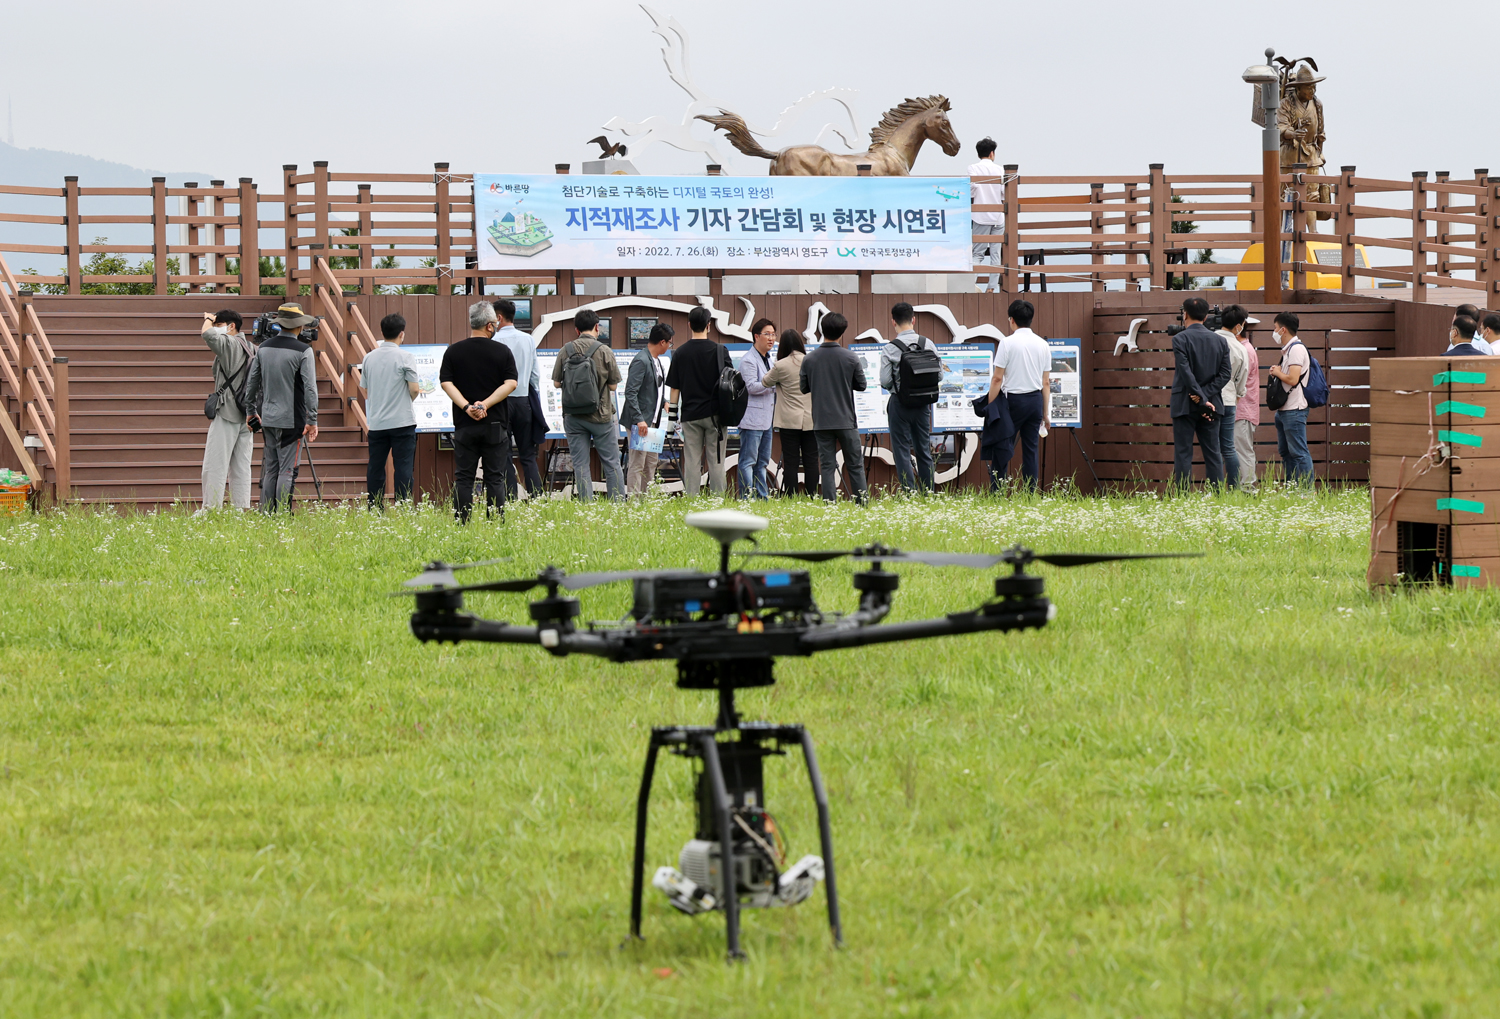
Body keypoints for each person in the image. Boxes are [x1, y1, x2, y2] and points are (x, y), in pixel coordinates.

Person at [441, 301, 518, 522]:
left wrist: (467, 407)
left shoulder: (453, 351)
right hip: (495, 424)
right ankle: (495, 524)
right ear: (489, 325)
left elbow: (446, 383)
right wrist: (485, 404)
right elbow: (511, 383)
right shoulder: (502, 351)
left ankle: (462, 523)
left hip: (465, 424)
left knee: (464, 477)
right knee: (495, 478)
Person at [244, 303, 319, 512]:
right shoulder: (304, 350)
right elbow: (310, 388)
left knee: (271, 469)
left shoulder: (264, 348)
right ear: (299, 326)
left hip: (267, 417)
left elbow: (252, 383)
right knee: (287, 470)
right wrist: (312, 420)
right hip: (292, 419)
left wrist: (251, 411)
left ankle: (267, 513)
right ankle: (283, 514)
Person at [551, 307, 625, 502]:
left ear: (576, 330)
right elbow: (613, 386)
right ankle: (617, 504)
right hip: (600, 415)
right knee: (611, 463)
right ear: (597, 327)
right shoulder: (605, 351)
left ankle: (586, 505)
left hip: (573, 416)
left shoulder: (565, 350)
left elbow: (557, 383)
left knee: (580, 464)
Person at [799, 312, 868, 504]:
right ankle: (862, 504)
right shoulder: (851, 358)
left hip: (821, 421)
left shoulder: (809, 359)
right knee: (855, 465)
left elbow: (803, 388)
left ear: (822, 330)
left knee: (827, 466)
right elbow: (862, 385)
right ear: (842, 332)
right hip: (846, 420)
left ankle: (830, 505)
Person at [986, 299, 1052, 491]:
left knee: (1002, 447)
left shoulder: (1006, 343)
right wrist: (1045, 413)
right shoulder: (1043, 345)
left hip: (1013, 402)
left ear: (1012, 320)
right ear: (1031, 319)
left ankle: (997, 493)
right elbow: (1046, 382)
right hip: (1035, 401)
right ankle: (1030, 494)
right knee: (1031, 450)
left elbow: (997, 379)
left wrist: (991, 406)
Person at [664, 306, 729, 496]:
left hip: (690, 415)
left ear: (689, 325)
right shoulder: (719, 351)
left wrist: (672, 420)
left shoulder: (680, 353)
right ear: (709, 325)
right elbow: (730, 381)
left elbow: (674, 389)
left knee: (692, 461)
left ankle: (692, 500)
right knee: (717, 461)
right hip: (716, 415)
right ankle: (718, 501)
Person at [1169, 296, 1230, 491]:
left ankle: (1183, 495)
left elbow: (1185, 371)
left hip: (1184, 403)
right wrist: (1206, 396)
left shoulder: (1180, 339)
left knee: (1183, 453)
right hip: (1212, 404)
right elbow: (1225, 374)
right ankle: (1217, 495)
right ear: (1205, 317)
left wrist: (1199, 396)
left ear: (1185, 314)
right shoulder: (1221, 341)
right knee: (1213, 453)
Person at [359, 312, 419, 509]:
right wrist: (405, 401)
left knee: (375, 466)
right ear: (402, 333)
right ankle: (403, 507)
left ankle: (375, 507)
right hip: (402, 421)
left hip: (377, 422)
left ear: (382, 332)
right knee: (403, 467)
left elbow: (364, 389)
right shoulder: (406, 357)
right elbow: (414, 389)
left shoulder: (368, 358)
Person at [199, 309, 255, 512]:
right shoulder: (252, 348)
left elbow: (207, 334)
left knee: (215, 463)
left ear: (231, 326)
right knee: (242, 465)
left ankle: (211, 508)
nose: (216, 328)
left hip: (227, 410)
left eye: (219, 325)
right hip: (247, 414)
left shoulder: (230, 343)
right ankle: (240, 509)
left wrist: (208, 319)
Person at [880, 301, 938, 492]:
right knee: (923, 450)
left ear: (893, 322)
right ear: (913, 320)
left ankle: (909, 494)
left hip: (899, 403)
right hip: (923, 404)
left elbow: (885, 380)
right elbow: (939, 376)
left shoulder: (890, 348)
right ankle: (928, 493)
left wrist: (897, 388)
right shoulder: (927, 344)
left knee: (901, 451)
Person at [493, 298, 542, 499]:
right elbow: (535, 375)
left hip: (500, 401)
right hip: (523, 400)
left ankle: (510, 497)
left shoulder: (494, 341)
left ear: (498, 317)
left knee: (504, 454)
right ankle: (536, 497)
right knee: (528, 454)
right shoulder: (528, 339)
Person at [762, 329, 818, 497]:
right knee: (811, 461)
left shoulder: (781, 365)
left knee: (791, 462)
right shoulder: (812, 361)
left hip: (789, 421)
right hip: (811, 419)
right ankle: (812, 496)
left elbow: (765, 381)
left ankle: (791, 497)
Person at [622, 322, 673, 496]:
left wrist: (664, 402)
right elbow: (630, 392)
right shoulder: (641, 360)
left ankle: (647, 500)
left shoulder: (656, 361)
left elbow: (653, 389)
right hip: (641, 422)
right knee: (637, 462)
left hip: (653, 421)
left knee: (651, 462)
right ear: (662, 342)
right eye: (669, 343)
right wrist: (639, 419)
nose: (669, 346)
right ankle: (634, 502)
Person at [1268, 311, 1313, 486]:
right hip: (1285, 409)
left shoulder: (1296, 349)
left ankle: (1307, 491)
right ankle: (1292, 488)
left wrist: (1278, 372)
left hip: (1294, 409)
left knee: (1299, 452)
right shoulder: (1289, 350)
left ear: (1283, 330)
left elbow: (1293, 379)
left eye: (1275, 328)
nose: (1274, 332)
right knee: (1286, 452)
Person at [736, 318, 777, 499]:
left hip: (766, 419)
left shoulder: (769, 359)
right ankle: (747, 499)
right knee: (748, 462)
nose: (771, 338)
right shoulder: (748, 360)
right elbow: (751, 386)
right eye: (767, 334)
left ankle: (762, 498)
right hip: (751, 419)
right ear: (756, 336)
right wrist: (774, 384)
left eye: (773, 334)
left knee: (762, 463)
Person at [1214, 305, 1252, 490]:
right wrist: (1238, 395)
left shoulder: (1210, 340)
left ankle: (1214, 488)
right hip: (1229, 400)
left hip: (1209, 398)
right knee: (1228, 447)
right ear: (1239, 326)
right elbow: (1242, 377)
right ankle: (1234, 488)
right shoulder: (1240, 347)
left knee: (1211, 446)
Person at [968, 137, 1004, 293]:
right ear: (992, 153)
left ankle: (970, 284)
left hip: (980, 216)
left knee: (977, 253)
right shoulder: (1000, 170)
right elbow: (1004, 193)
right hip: (998, 217)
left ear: (978, 154)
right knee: (996, 253)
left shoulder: (973, 168)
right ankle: (991, 287)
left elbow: (971, 190)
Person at [1234, 314, 1261, 490]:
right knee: (1241, 449)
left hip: (1243, 409)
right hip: (1243, 409)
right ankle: (1244, 487)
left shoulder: (1245, 350)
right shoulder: (1245, 348)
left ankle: (1248, 488)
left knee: (1243, 450)